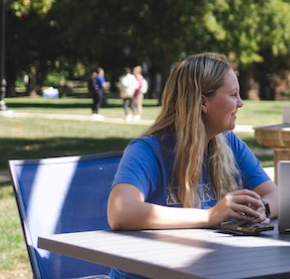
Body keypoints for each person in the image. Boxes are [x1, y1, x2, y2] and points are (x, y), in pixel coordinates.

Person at [107, 53, 278, 273]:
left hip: (205, 270)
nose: (241, 103)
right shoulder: (147, 150)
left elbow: (276, 195)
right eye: (233, 94)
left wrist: (260, 209)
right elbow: (121, 212)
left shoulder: (228, 143)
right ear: (203, 101)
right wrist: (209, 216)